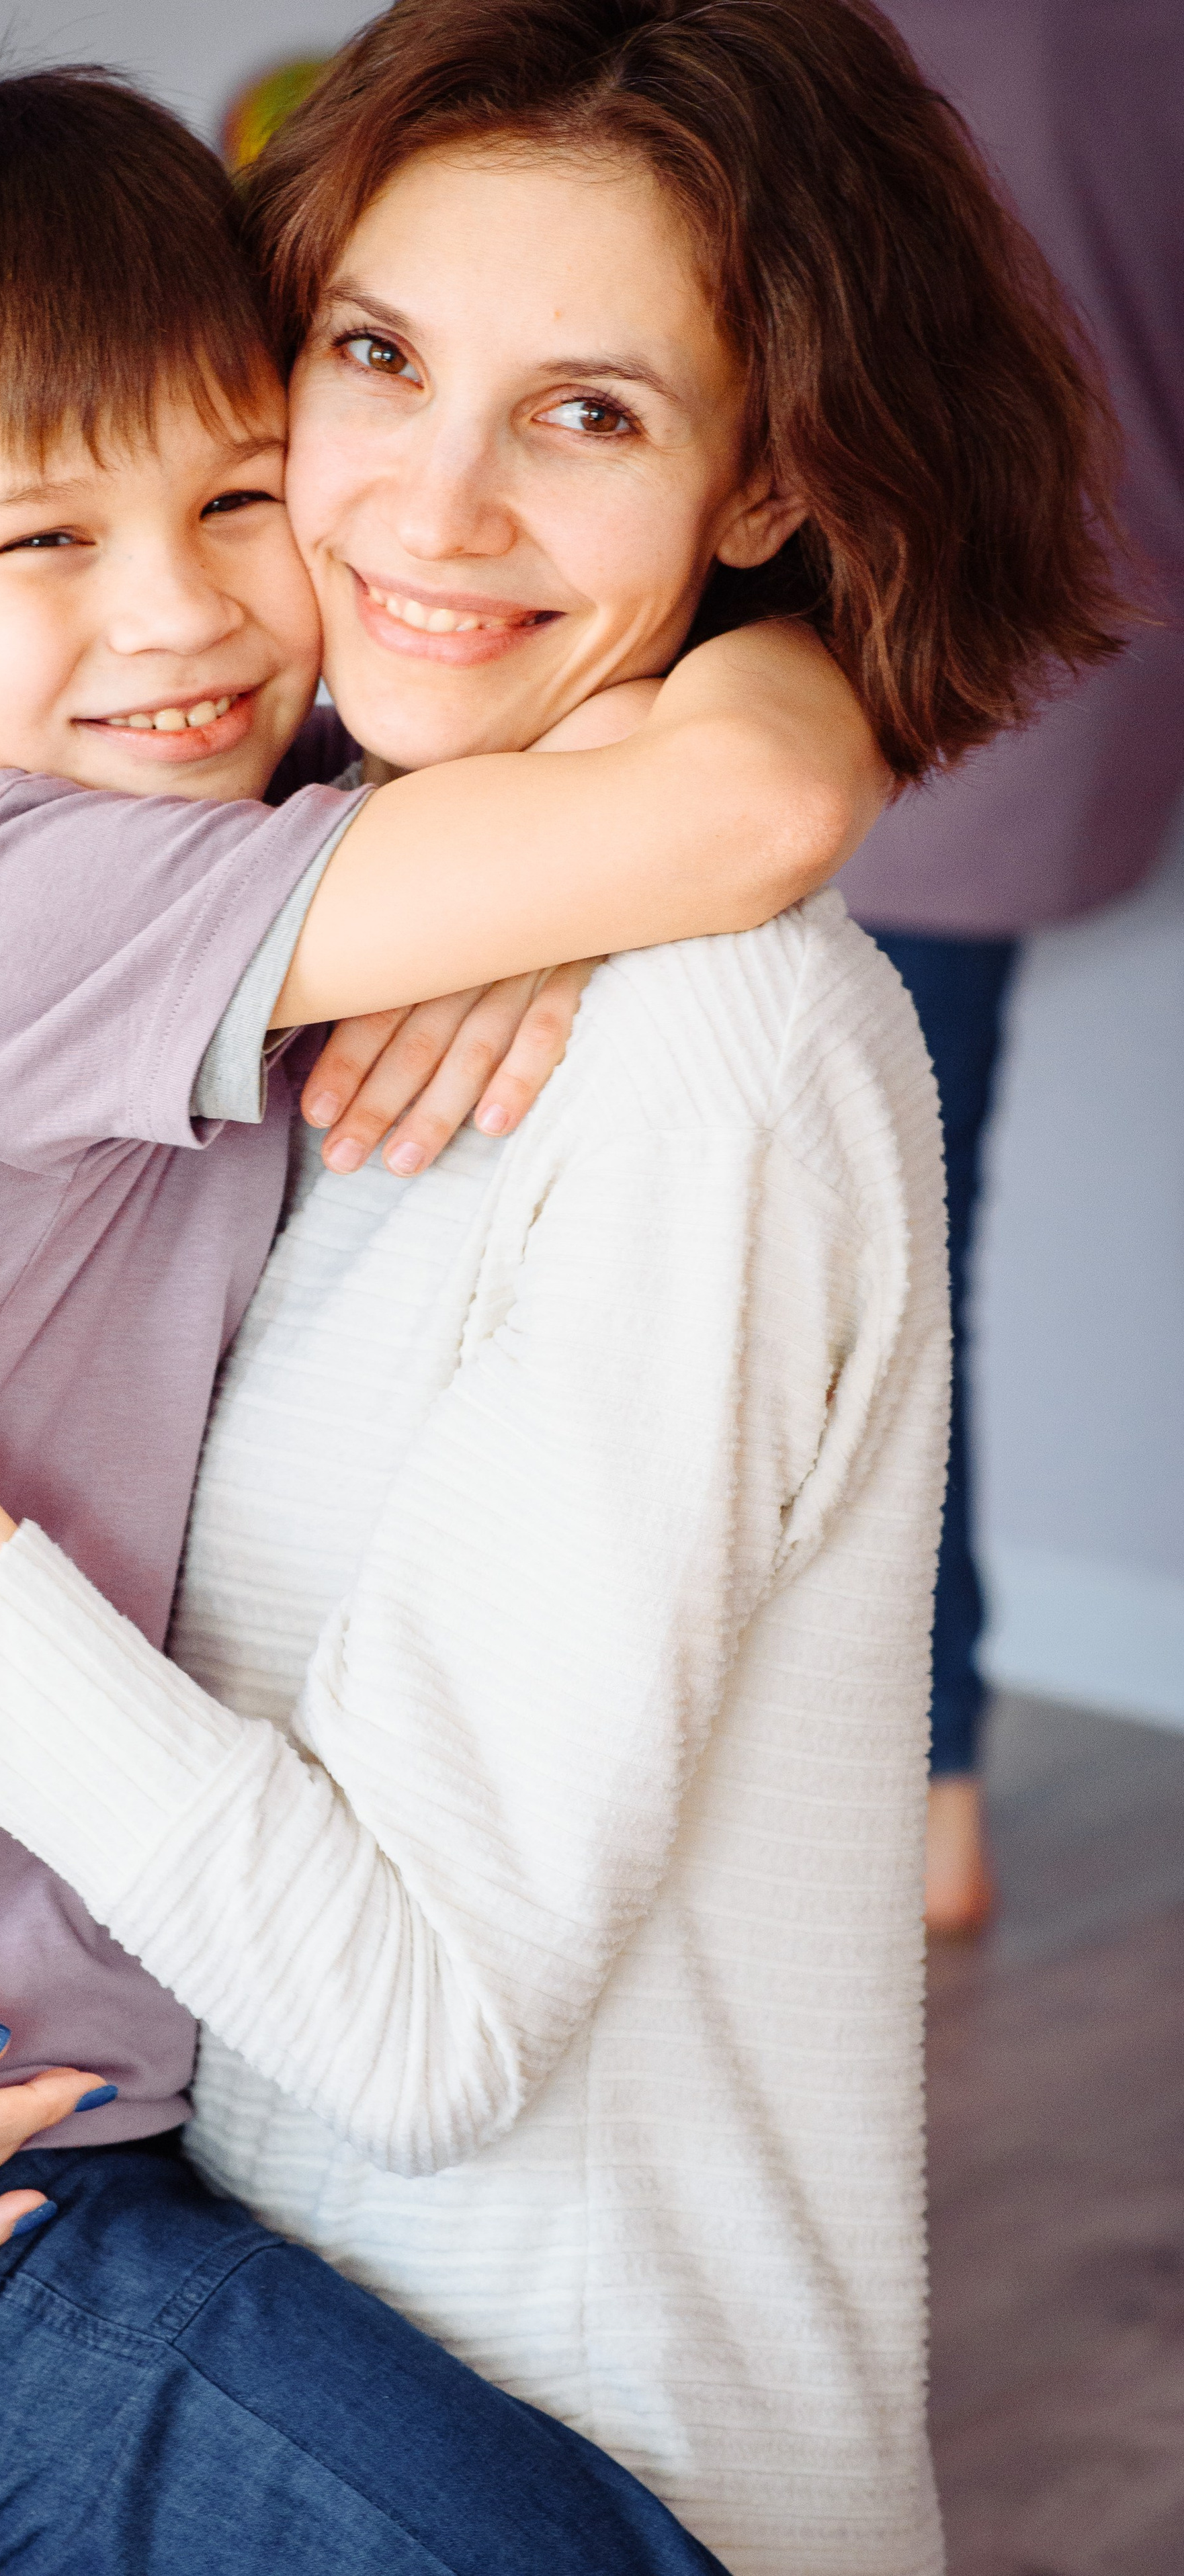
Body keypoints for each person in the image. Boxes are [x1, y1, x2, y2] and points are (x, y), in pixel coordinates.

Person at [0, 3, 1124, 2570]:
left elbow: (411, 2038)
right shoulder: (268, 881)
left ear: (762, 473)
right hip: (127, 2244)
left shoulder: (705, 1043)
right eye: (371, 357)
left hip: (574, 2456)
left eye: (588, 412)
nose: (425, 510)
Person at [835, 0, 1184, 1936]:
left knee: (882, 1255)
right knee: (907, 1230)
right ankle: (929, 1765)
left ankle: (931, 1770)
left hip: (938, 667)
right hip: (1094, 666)